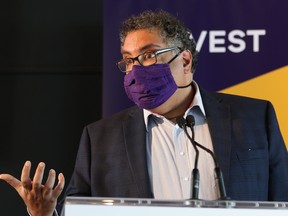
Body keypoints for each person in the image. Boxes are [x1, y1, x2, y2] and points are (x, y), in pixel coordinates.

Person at [1, 9, 288, 216]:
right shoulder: (100, 138)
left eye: (149, 55)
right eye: (128, 60)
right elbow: (80, 212)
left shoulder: (254, 117)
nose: (136, 69)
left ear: (184, 60)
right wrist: (45, 214)